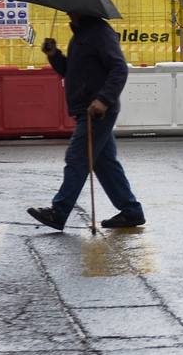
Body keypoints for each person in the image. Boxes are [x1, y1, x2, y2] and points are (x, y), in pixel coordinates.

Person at [27, 13, 145, 231]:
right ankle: (131, 211)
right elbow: (71, 72)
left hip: (97, 110)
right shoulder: (80, 36)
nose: (67, 12)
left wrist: (104, 99)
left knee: (77, 157)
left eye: (71, 9)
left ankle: (59, 211)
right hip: (87, 108)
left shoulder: (100, 33)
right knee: (105, 164)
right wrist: (54, 55)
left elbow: (119, 68)